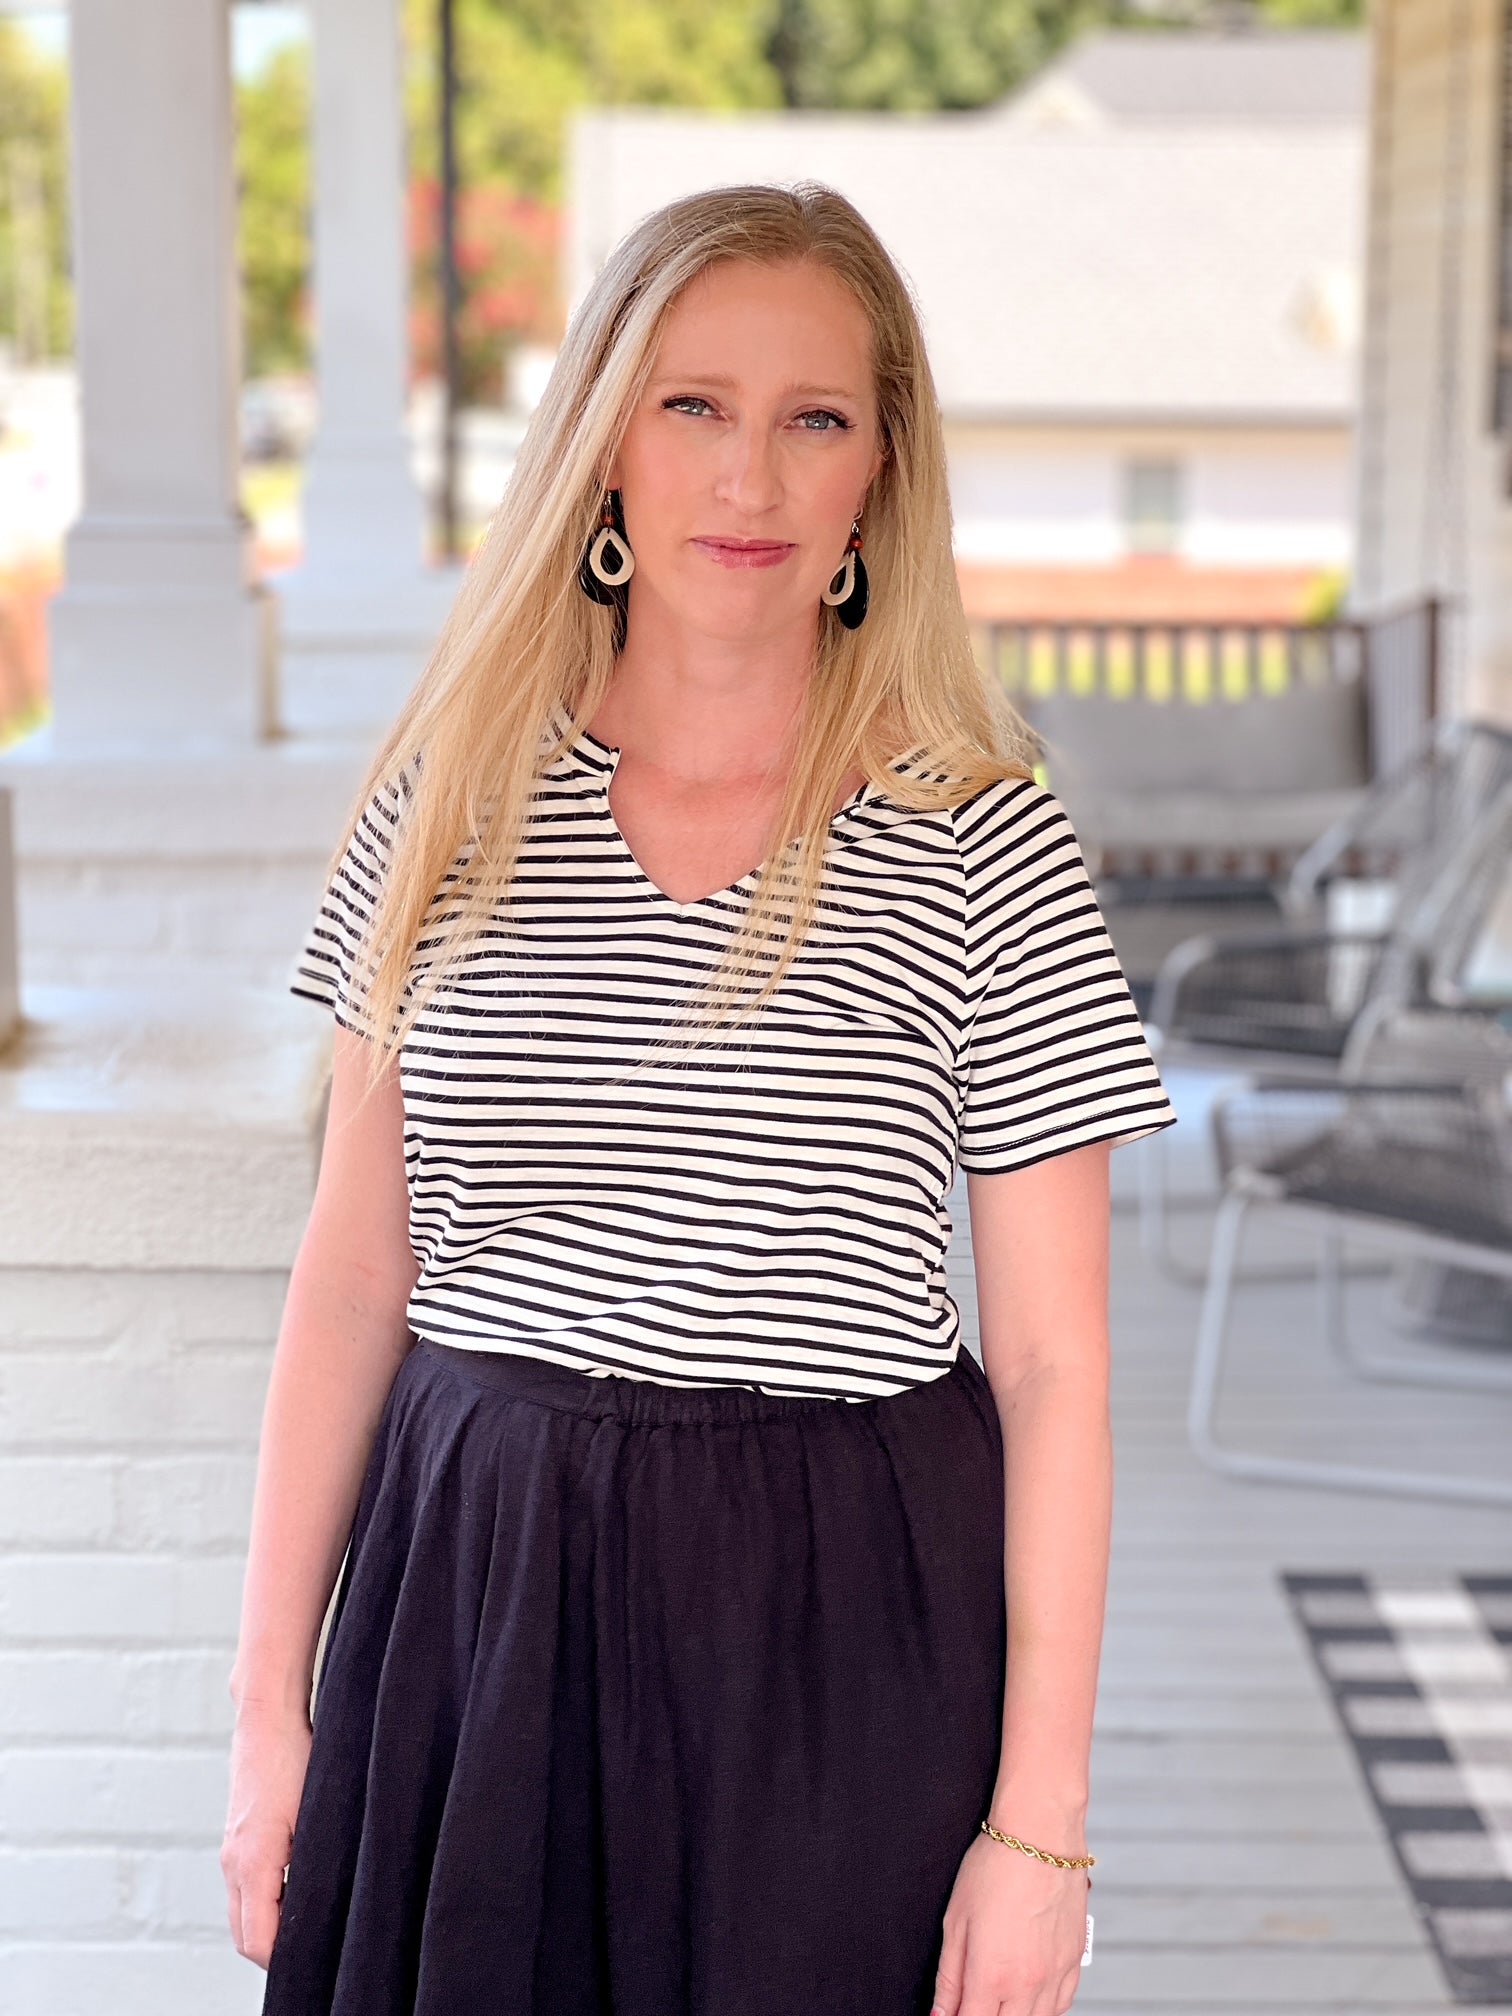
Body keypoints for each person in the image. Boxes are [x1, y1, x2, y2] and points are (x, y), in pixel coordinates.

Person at [222, 181, 1177, 2016]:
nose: (749, 478)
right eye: (694, 407)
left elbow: (1057, 1372)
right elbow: (353, 1283)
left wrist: (1040, 1829)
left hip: (836, 1631)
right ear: (602, 444)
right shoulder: (454, 801)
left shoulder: (987, 838)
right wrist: (271, 1718)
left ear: (877, 478)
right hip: (473, 1603)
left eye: (813, 417)